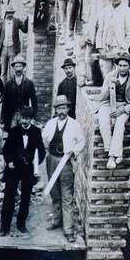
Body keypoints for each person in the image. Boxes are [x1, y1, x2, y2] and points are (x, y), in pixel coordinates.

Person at [39, 95, 87, 241]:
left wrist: (73, 151)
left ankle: (68, 230)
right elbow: (43, 138)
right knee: (55, 192)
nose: (61, 111)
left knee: (67, 196)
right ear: (56, 110)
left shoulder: (74, 125)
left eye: (64, 108)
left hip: (65, 162)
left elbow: (82, 141)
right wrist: (45, 146)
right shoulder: (50, 124)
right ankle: (57, 220)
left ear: (68, 109)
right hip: (51, 160)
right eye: (59, 108)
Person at [1, 110, 45, 235]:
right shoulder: (14, 131)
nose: (25, 121)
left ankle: (21, 224)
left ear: (32, 119)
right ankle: (5, 227)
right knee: (9, 196)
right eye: (23, 118)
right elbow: (6, 149)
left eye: (28, 118)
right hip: (13, 169)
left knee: (25, 197)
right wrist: (8, 161)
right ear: (20, 118)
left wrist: (35, 162)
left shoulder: (36, 132)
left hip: (27, 170)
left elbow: (41, 151)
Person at [93, 55, 130, 169]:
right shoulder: (109, 76)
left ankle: (112, 157)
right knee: (103, 120)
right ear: (116, 65)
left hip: (123, 106)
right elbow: (102, 97)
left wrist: (123, 110)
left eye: (125, 66)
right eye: (120, 65)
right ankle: (111, 150)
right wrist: (109, 87)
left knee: (119, 124)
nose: (122, 68)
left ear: (129, 67)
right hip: (108, 103)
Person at [0, 58, 39, 135]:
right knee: (12, 133)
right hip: (12, 114)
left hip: (24, 114)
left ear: (23, 67)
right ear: (13, 68)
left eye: (20, 66)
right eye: (16, 66)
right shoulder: (8, 84)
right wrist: (2, 120)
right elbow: (5, 102)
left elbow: (34, 100)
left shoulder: (29, 83)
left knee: (24, 133)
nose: (18, 69)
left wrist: (33, 116)